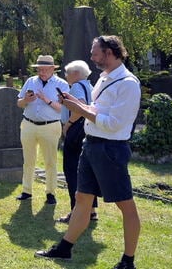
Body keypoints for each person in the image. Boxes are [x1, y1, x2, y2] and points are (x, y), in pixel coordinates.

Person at [36, 36, 142, 269]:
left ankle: (128, 261)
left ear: (110, 52)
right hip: (92, 144)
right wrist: (76, 103)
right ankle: (64, 248)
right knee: (82, 198)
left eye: (95, 52)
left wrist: (80, 110)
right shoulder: (103, 79)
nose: (92, 57)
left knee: (126, 205)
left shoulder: (127, 83)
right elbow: (97, 109)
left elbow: (113, 123)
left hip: (110, 149)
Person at [16, 55, 67, 204]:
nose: (42, 72)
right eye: (39, 70)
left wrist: (47, 100)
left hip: (50, 126)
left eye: (45, 70)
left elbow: (62, 109)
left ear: (53, 69)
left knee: (50, 161)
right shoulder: (30, 81)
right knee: (28, 160)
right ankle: (26, 191)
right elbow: (19, 103)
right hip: (28, 125)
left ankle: (51, 193)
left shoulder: (61, 84)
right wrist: (25, 100)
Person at [58, 60, 97, 224]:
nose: (66, 76)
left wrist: (68, 124)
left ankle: (77, 211)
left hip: (76, 129)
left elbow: (78, 108)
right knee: (87, 171)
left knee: (72, 171)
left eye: (67, 73)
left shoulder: (76, 87)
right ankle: (91, 210)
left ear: (76, 73)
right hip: (88, 129)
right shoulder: (91, 86)